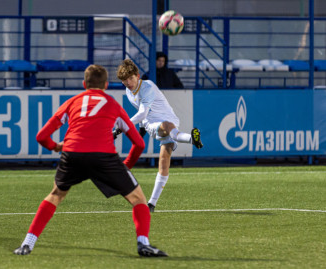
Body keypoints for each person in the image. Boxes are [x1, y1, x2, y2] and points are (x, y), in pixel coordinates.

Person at [13, 64, 167, 257]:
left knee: (55, 195)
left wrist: (56, 147)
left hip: (73, 154)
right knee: (139, 200)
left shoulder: (72, 102)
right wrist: (125, 166)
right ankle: (143, 244)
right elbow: (139, 144)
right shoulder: (112, 104)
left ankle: (27, 243)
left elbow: (41, 136)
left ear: (84, 83)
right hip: (104, 157)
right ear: (106, 84)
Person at [115, 59, 203, 213]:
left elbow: (142, 112)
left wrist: (122, 128)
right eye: (124, 80)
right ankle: (191, 139)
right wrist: (141, 129)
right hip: (154, 124)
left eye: (130, 78)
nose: (128, 83)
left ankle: (151, 204)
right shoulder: (129, 91)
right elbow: (143, 113)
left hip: (171, 120)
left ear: (138, 75)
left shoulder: (147, 86)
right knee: (166, 126)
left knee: (164, 162)